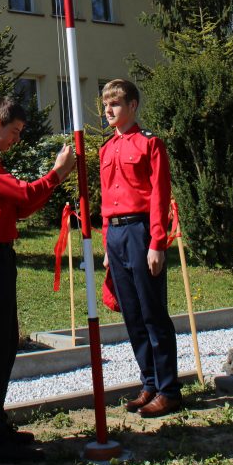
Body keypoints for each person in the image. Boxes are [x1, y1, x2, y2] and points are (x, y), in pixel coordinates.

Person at [0, 96, 76, 463]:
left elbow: (23, 206)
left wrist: (54, 179)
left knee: (6, 343)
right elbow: (24, 194)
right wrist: (56, 173)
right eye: (14, 131)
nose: (17, 139)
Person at [100, 79, 181, 417]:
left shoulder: (150, 143)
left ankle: (168, 390)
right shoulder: (106, 149)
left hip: (141, 231)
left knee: (152, 313)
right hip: (116, 235)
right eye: (106, 105)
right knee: (132, 314)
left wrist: (157, 242)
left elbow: (159, 195)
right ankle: (149, 383)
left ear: (132, 106)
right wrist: (107, 244)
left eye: (115, 104)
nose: (108, 110)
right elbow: (106, 199)